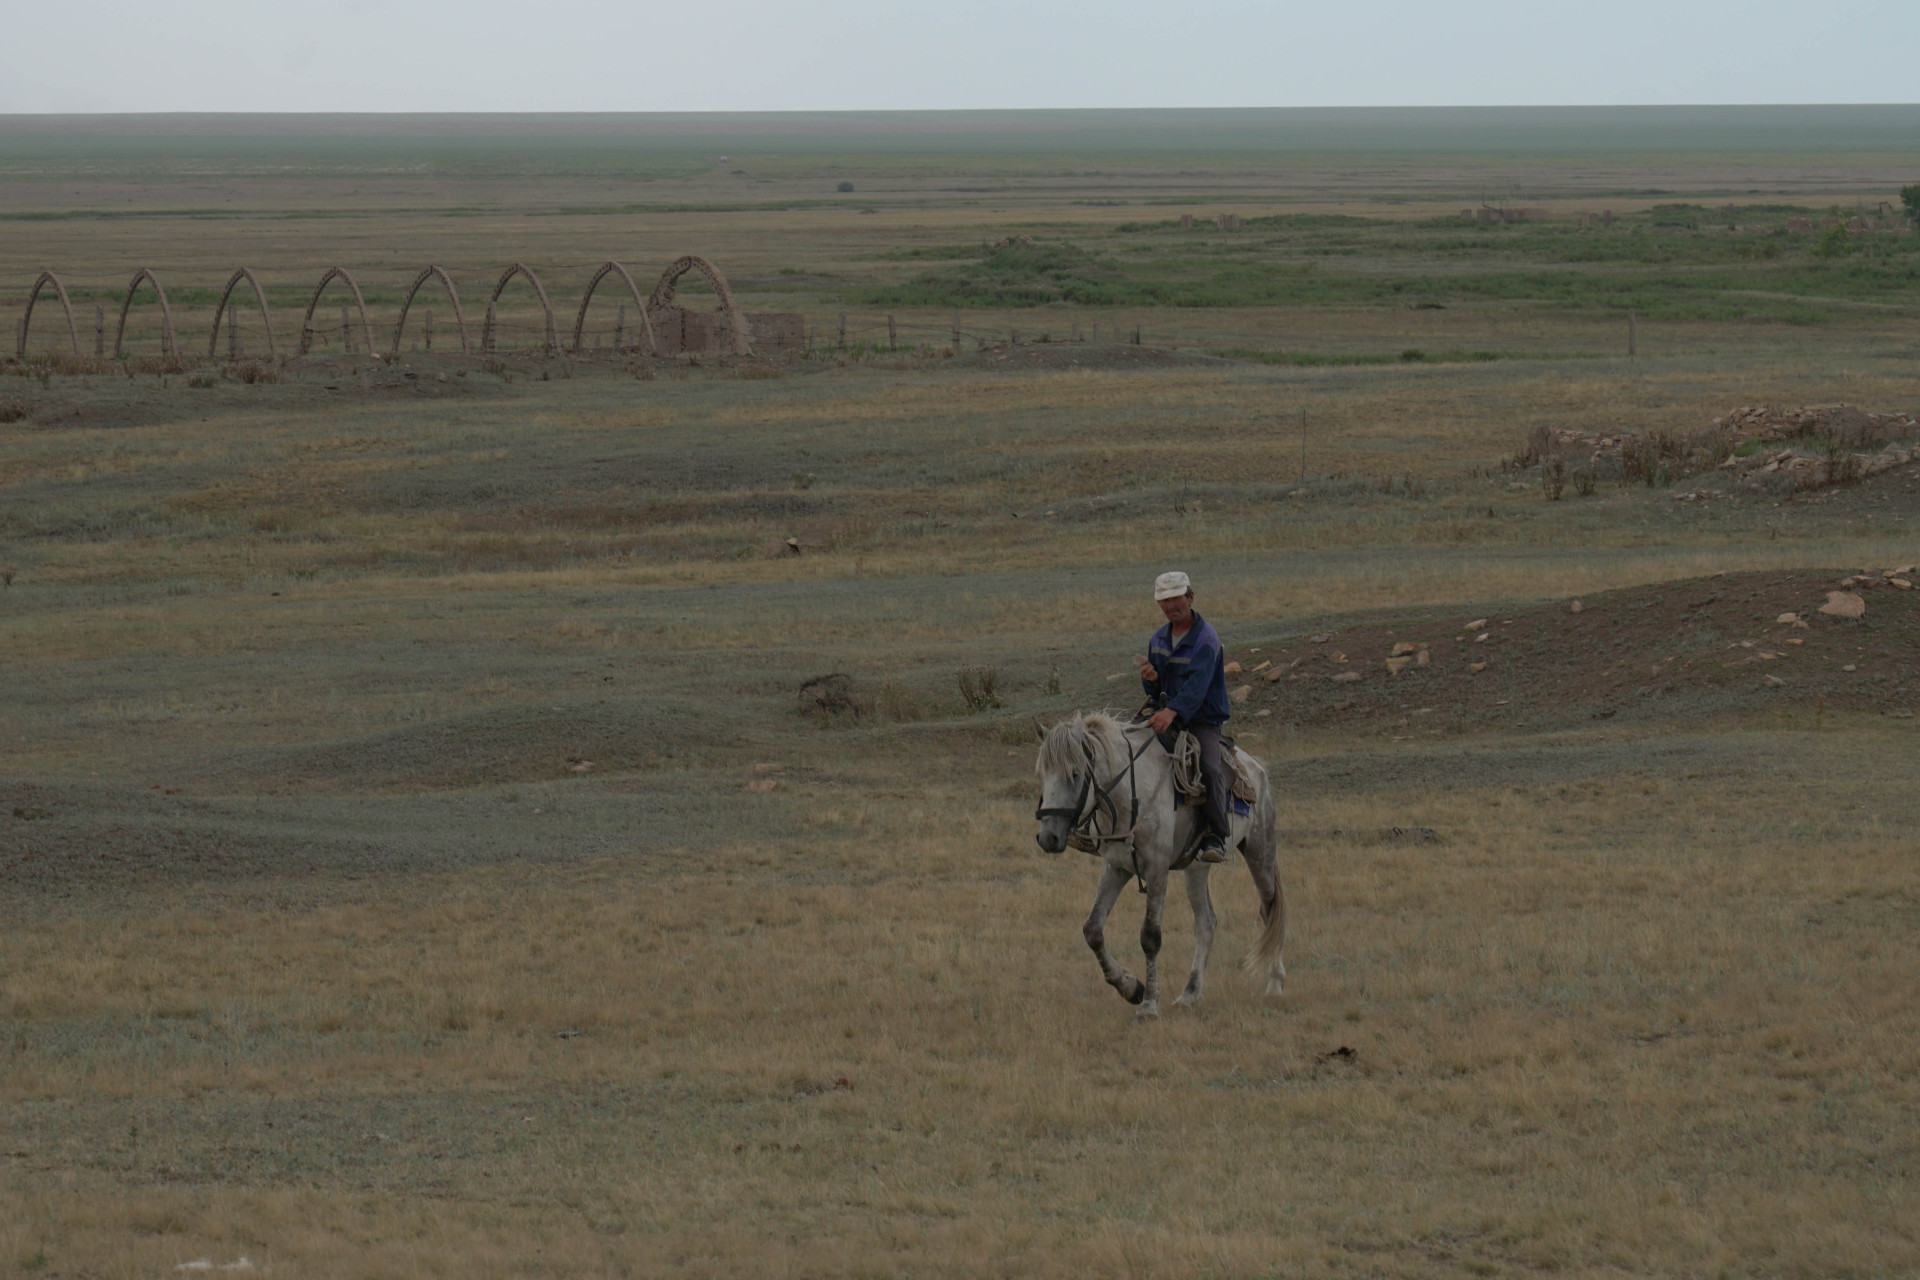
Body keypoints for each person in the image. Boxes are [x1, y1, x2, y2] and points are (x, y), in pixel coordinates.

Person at [1138, 571, 1232, 863]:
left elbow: (1197, 687)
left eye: (1176, 599)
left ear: (1190, 598)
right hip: (1167, 715)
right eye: (1164, 601)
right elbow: (1156, 687)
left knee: (1210, 767)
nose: (1170, 606)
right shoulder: (1158, 639)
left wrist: (1172, 711)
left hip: (1201, 719)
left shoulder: (1206, 639)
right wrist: (1150, 680)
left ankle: (1217, 835)